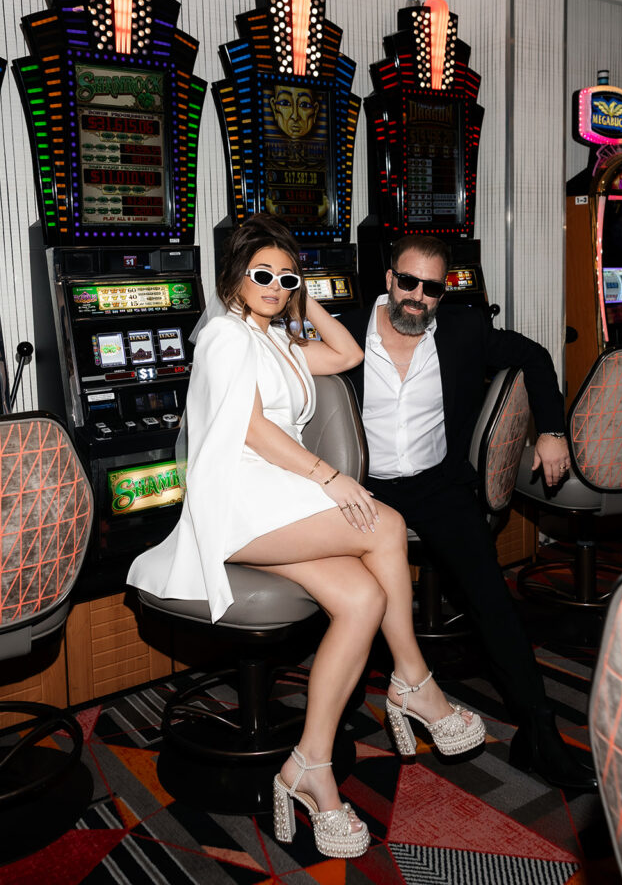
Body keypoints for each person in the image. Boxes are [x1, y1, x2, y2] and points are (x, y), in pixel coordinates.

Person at [127, 214, 486, 860]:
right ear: (233, 277)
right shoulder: (225, 336)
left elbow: (347, 355)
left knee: (362, 599)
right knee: (386, 523)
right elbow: (251, 429)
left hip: (276, 498)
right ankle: (412, 679)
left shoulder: (275, 339)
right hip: (238, 499)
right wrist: (329, 477)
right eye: (261, 274)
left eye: (285, 277)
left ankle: (308, 766)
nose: (273, 286)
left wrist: (302, 300)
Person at [338, 235, 598, 791]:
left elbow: (535, 356)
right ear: (389, 278)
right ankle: (336, 726)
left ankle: (539, 732)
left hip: (437, 486)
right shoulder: (345, 333)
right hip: (363, 490)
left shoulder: (463, 329)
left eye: (432, 288)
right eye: (408, 282)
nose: (417, 297)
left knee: (491, 599)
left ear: (444, 292)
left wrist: (553, 431)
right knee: (348, 601)